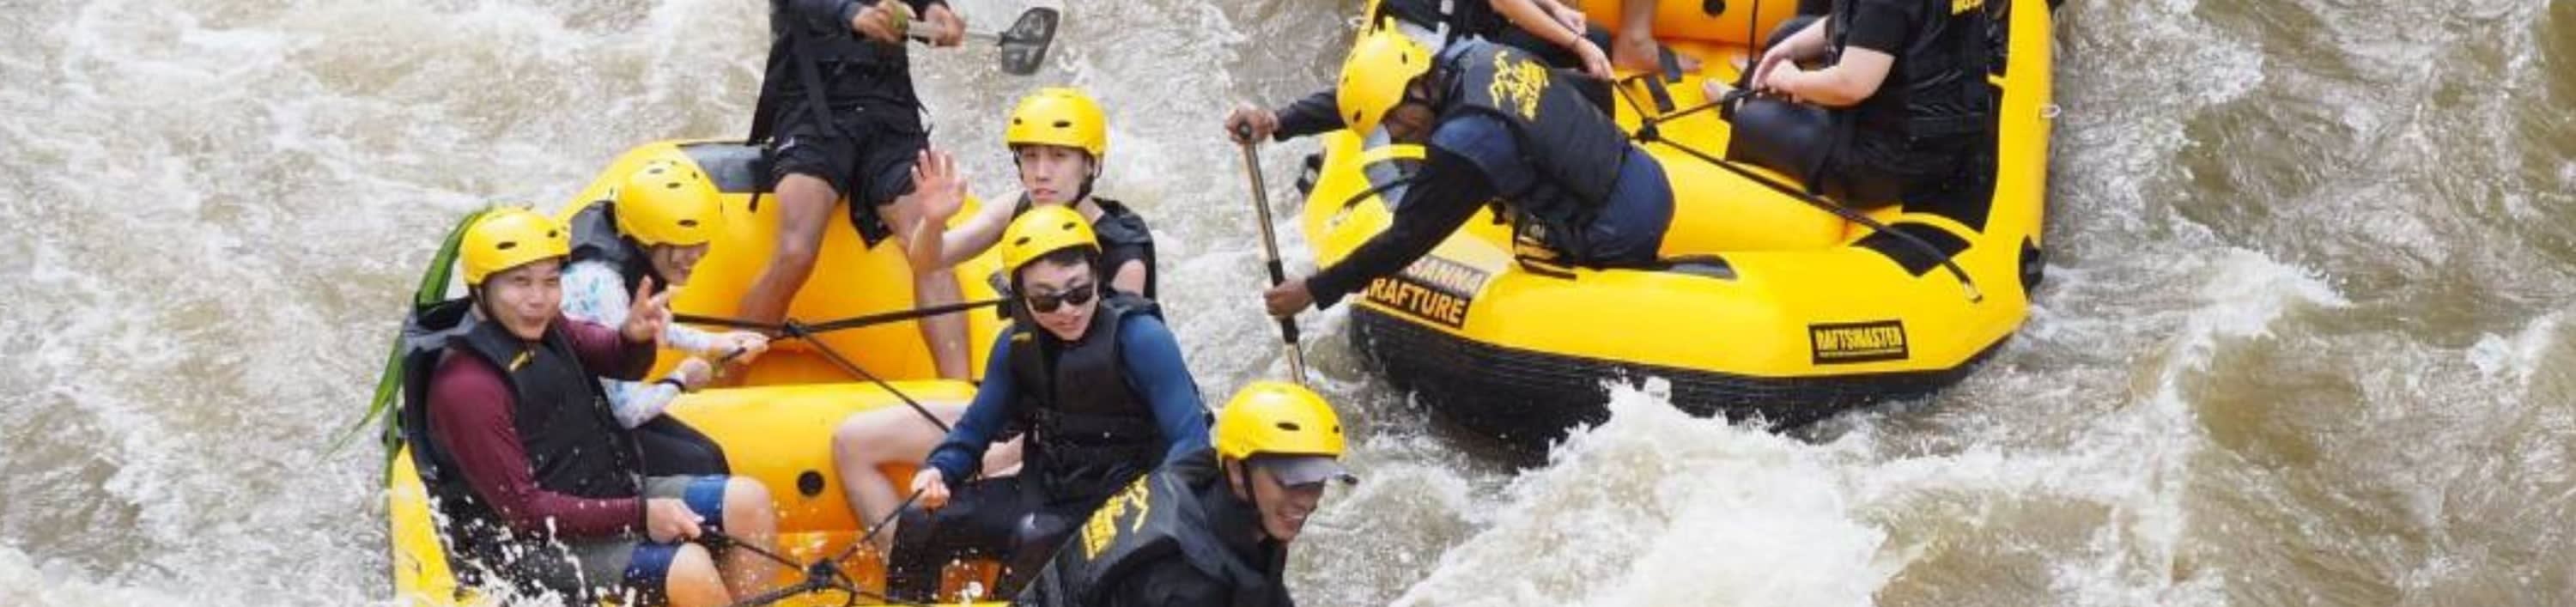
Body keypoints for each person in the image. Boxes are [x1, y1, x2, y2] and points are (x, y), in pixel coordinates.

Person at [829, 87, 1165, 558]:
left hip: (1081, 440)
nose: (1041, 172)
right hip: (1015, 408)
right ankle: (902, 571)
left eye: (1059, 157)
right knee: (853, 442)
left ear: (1091, 165)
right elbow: (930, 260)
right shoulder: (1018, 208)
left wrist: (1019, 451)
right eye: (1030, 157)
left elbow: (1103, 376)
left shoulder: (1123, 254)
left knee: (995, 477)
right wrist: (933, 221)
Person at [401, 208, 780, 606]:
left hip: (603, 493)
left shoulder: (548, 325)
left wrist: (634, 337)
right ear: (480, 288)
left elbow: (615, 358)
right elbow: (525, 511)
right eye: (519, 282)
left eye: (551, 281)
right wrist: (641, 515)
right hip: (532, 547)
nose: (538, 299)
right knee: (688, 566)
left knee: (748, 501)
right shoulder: (467, 386)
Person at [884, 206, 1212, 602]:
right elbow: (975, 429)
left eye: (1078, 292)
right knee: (921, 520)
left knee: (1035, 536)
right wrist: (939, 469)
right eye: (1045, 300)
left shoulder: (1142, 339)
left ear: (1097, 276)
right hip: (1046, 489)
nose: (1067, 311)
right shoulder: (1014, 347)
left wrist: (1149, 519)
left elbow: (1191, 443)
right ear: (1021, 296)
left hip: (1122, 506)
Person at [1241, 29, 1689, 318]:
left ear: (1417, 89)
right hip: (1645, 176)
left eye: (1394, 119)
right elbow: (1370, 96)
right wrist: (1280, 121)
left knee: (1517, 230)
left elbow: (1408, 238)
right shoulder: (1475, 55)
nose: (1395, 133)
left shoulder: (1471, 140)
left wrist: (1316, 290)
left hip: (1619, 231)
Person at [743, 0, 975, 380]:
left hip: (890, 111)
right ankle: (721, 374)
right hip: (812, 108)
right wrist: (852, 13)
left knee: (931, 247)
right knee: (796, 251)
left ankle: (962, 398)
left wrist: (934, 12)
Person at [1015, 381, 1358, 607]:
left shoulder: (1204, 480)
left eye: (1316, 482)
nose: (1306, 501)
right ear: (1236, 470)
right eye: (1290, 481)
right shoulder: (1187, 581)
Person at [560, 159, 770, 477]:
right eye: (682, 245)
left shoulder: (629, 250)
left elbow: (644, 328)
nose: (696, 256)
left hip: (600, 401)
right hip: (575, 423)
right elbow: (628, 411)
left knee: (708, 454)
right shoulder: (600, 283)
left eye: (702, 243)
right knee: (700, 462)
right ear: (646, 239)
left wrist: (713, 343)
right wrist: (681, 379)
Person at [1709, 0, 1993, 207]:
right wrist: (1789, 48)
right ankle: (1755, 86)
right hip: (1940, 134)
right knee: (1787, 33)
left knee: (1751, 121)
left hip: (1889, 162)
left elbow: (1852, 85)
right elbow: (1862, 23)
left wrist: (1792, 80)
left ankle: (1742, 107)